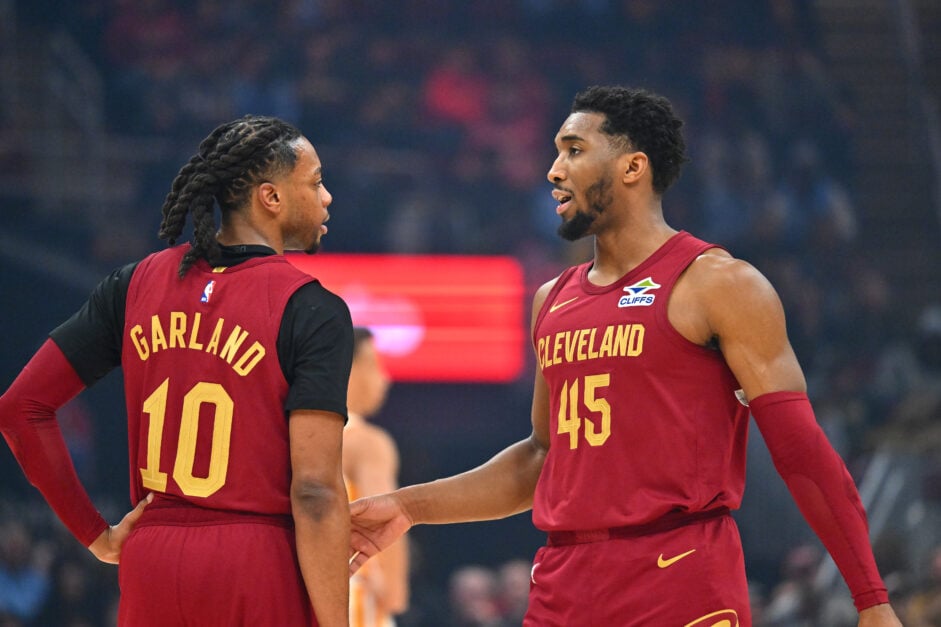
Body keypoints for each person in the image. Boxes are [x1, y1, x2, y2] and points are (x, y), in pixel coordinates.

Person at [348, 86, 903, 626]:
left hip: (678, 573)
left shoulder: (718, 284)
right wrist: (409, 506)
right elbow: (542, 458)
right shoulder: (552, 299)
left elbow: (802, 454)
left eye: (574, 150)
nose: (554, 170)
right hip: (565, 579)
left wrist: (871, 599)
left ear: (633, 167)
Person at [0, 115, 353, 626]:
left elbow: (20, 409)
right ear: (270, 197)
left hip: (152, 557)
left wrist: (95, 535)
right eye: (316, 181)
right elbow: (315, 493)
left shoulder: (135, 282)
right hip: (255, 557)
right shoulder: (310, 308)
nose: (328, 197)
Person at [343, 327, 409, 626]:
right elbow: (388, 519)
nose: (385, 377)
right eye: (374, 364)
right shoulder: (365, 442)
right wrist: (395, 596)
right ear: (346, 368)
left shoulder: (285, 433)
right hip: (353, 598)